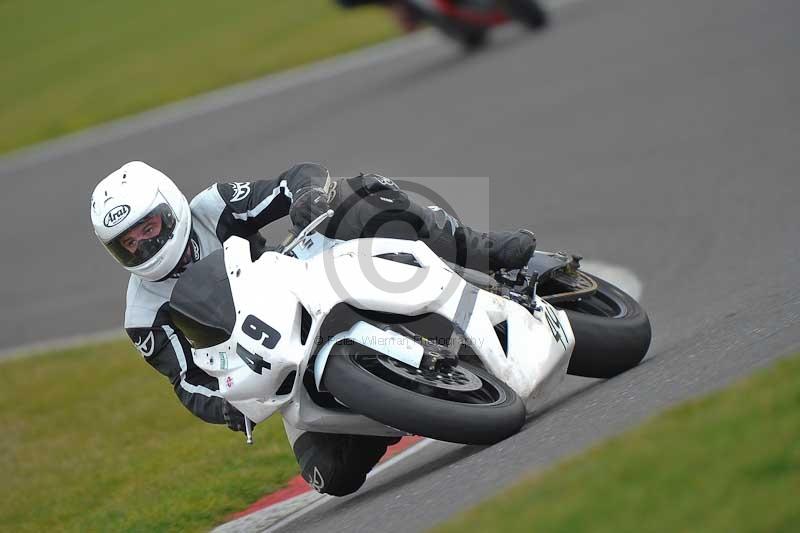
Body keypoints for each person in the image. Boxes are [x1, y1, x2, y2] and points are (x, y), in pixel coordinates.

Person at [90, 161, 535, 496]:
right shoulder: (143, 315)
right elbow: (187, 380)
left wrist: (307, 195)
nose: (143, 244)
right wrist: (229, 406)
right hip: (274, 356)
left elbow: (293, 180)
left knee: (357, 199)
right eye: (128, 243)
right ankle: (389, 407)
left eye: (147, 227)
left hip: (299, 276)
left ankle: (482, 249)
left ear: (169, 208)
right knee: (331, 477)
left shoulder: (212, 207)